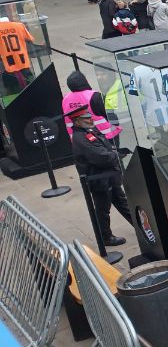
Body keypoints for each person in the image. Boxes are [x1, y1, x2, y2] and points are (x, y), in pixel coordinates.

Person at [69, 108, 130, 246]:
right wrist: (117, 156)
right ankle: (105, 237)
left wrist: (115, 152)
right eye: (86, 119)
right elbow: (100, 156)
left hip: (108, 177)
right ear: (77, 122)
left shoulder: (88, 131)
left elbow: (104, 146)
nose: (91, 120)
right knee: (103, 209)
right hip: (99, 180)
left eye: (90, 117)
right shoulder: (81, 138)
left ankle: (142, 228)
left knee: (122, 203)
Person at [62, 71, 121, 141]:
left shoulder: (65, 99)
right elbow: (109, 114)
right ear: (84, 81)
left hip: (80, 140)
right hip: (104, 137)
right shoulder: (94, 96)